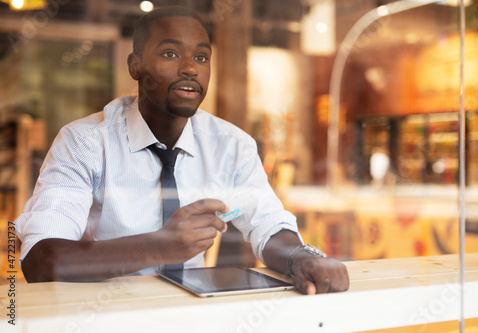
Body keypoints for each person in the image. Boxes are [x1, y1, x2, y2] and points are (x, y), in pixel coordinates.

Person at [14, 6, 349, 294]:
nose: (190, 67)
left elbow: (269, 224)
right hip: (101, 316)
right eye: (171, 53)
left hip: (190, 311)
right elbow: (43, 261)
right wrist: (159, 245)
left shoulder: (230, 146)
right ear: (135, 67)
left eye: (201, 56)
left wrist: (300, 257)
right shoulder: (84, 142)